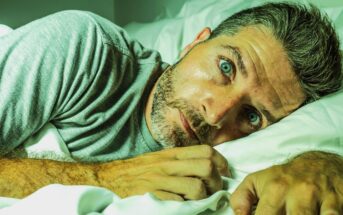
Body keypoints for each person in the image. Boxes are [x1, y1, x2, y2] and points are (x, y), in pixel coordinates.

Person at [0, 2, 342, 214]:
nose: (216, 113)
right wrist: (104, 179)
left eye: (252, 115)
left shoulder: (231, 156)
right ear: (195, 42)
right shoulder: (85, 48)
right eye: (225, 67)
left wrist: (323, 161)